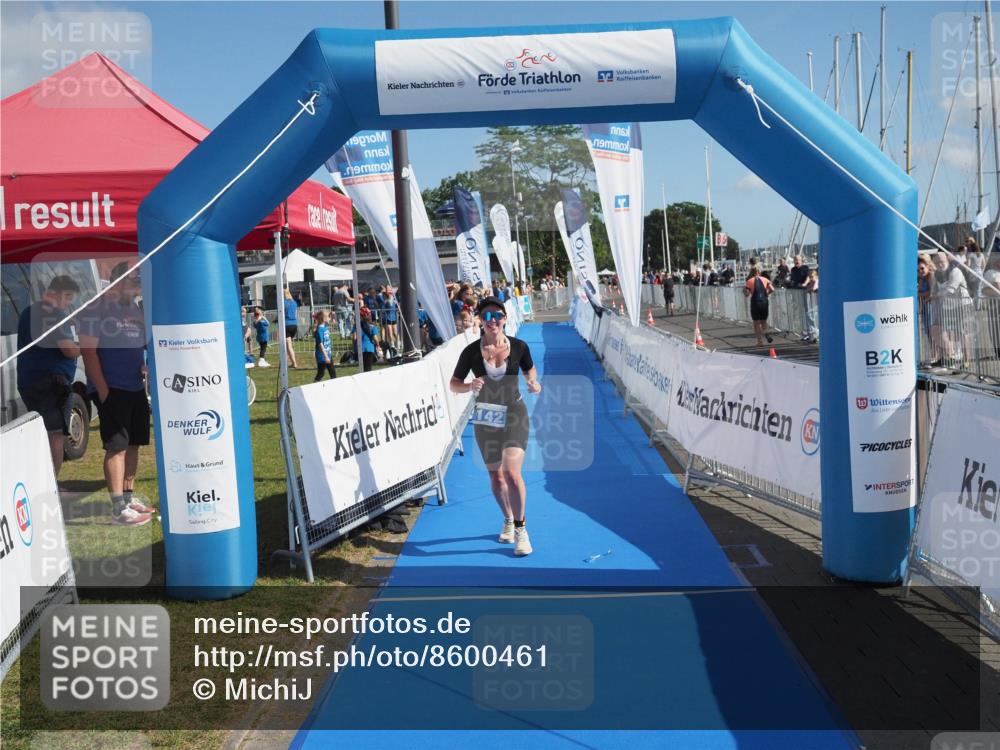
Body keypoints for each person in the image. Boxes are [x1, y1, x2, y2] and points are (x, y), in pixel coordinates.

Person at [450, 297, 541, 557]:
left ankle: (521, 530)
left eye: (497, 316)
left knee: (512, 473)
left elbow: (530, 372)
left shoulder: (520, 347)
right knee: (495, 475)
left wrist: (534, 383)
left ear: (505, 318)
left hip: (514, 412)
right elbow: (453, 383)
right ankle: (508, 519)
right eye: (486, 316)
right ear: (479, 320)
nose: (492, 321)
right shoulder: (470, 352)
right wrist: (469, 387)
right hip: (486, 416)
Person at [78, 263, 155, 525]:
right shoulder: (96, 307)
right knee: (116, 447)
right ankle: (117, 507)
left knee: (134, 444)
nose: (139, 286)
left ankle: (128, 497)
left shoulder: (135, 308)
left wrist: (145, 364)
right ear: (120, 280)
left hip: (135, 387)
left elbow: (143, 343)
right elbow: (88, 352)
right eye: (135, 280)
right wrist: (103, 390)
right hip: (113, 389)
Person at [15, 275, 81, 481]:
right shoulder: (55, 314)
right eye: (68, 298)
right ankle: (50, 484)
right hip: (52, 383)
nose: (68, 303)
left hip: (28, 380)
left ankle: (38, 479)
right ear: (59, 293)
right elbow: (68, 350)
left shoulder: (28, 312)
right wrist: (83, 347)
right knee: (56, 435)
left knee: (39, 433)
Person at [744, 267, 774, 346]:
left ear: (751, 273)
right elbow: (772, 289)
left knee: (756, 322)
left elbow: (747, 294)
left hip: (755, 302)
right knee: (763, 321)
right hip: (764, 301)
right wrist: (766, 294)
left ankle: (760, 341)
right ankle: (766, 332)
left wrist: (744, 291)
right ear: (759, 272)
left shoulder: (749, 281)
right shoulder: (765, 279)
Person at [313, 309, 336, 381]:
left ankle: (336, 387)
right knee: (321, 373)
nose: (330, 318)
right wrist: (326, 357)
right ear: (323, 319)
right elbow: (321, 345)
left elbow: (331, 319)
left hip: (328, 354)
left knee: (333, 373)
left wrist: (332, 314)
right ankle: (315, 384)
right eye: (329, 317)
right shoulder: (319, 330)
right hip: (322, 356)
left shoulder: (325, 327)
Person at [356, 307, 380, 372]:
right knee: (368, 369)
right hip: (369, 349)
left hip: (360, 348)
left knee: (362, 369)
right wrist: (378, 346)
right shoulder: (373, 326)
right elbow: (375, 338)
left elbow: (354, 338)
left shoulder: (357, 325)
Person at [283, 289, 299, 369]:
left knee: (288, 346)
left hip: (287, 324)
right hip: (294, 325)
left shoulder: (283, 302)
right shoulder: (294, 302)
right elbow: (295, 313)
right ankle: (290, 362)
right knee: (289, 345)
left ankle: (294, 363)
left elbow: (280, 313)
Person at [802, 269, 819, 343]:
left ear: (815, 276)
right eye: (809, 276)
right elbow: (806, 288)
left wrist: (815, 281)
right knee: (811, 318)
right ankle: (813, 336)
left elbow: (814, 288)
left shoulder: (817, 281)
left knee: (816, 320)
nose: (810, 278)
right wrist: (808, 282)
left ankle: (817, 336)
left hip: (817, 304)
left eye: (812, 276)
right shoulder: (810, 282)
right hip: (811, 305)